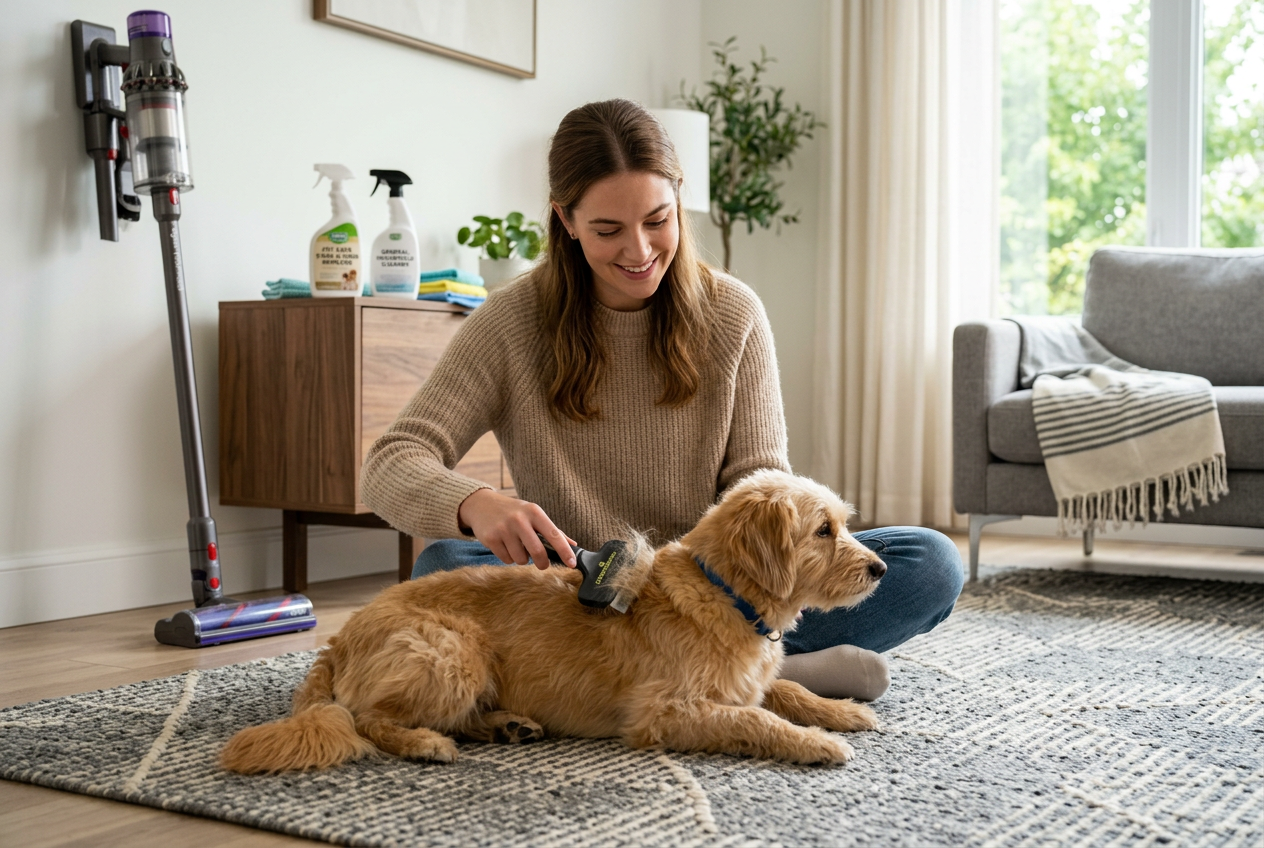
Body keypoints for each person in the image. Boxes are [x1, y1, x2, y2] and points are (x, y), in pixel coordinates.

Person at [360, 98, 963, 701]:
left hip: (714, 597)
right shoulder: (512, 320)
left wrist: (716, 576)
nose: (640, 250)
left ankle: (714, 670)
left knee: (930, 561)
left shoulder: (734, 312)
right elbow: (392, 461)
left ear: (679, 201)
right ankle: (765, 676)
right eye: (607, 229)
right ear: (565, 221)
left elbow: (762, 480)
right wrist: (476, 502)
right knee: (444, 564)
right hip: (575, 596)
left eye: (658, 220)